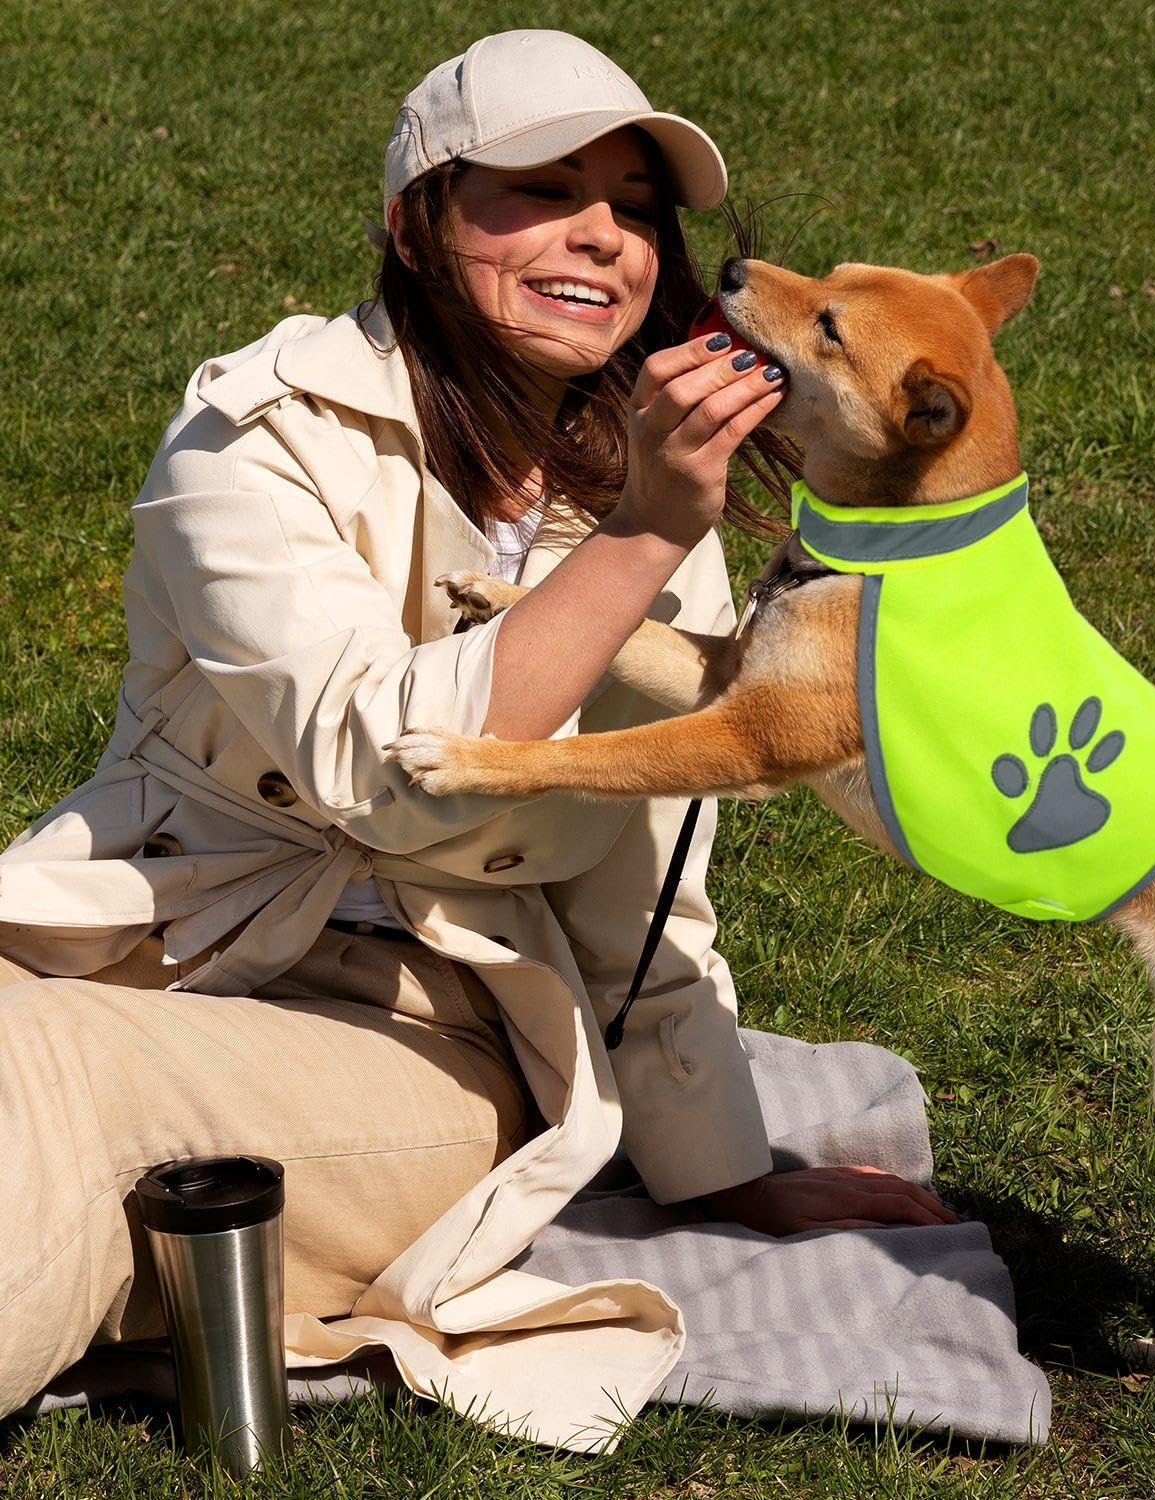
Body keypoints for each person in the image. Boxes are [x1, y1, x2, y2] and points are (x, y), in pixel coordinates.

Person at [0, 30, 955, 1447]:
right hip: (162, 943)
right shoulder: (255, 437)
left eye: (635, 207)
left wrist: (715, 1166)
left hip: (429, 1029)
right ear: (415, 223)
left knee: (53, 1074)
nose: (604, 238)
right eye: (540, 190)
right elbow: (364, 749)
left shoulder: (652, 505)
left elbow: (641, 871)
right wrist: (645, 534)